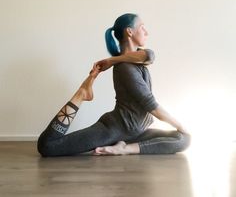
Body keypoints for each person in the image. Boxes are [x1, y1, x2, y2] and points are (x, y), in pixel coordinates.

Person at [37, 13, 191, 157]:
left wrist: (111, 60)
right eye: (142, 27)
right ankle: (82, 93)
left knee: (184, 139)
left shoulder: (133, 61)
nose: (146, 32)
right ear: (129, 32)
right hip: (114, 129)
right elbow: (150, 103)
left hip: (135, 132)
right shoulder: (125, 67)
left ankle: (126, 148)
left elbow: (150, 55)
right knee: (48, 146)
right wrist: (179, 124)